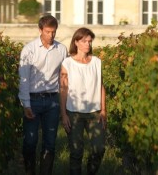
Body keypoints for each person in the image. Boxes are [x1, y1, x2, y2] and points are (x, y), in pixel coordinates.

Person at [19, 14, 68, 175]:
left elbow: (64, 77)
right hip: (33, 100)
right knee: (30, 141)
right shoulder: (29, 50)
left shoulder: (61, 50)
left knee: (50, 143)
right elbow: (24, 79)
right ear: (40, 30)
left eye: (54, 32)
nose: (51, 35)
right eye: (48, 31)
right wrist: (26, 103)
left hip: (52, 101)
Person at [60, 27, 107, 175]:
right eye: (84, 41)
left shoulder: (97, 62)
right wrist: (64, 115)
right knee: (76, 152)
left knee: (99, 149)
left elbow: (101, 86)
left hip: (95, 112)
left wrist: (104, 110)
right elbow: (63, 89)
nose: (88, 44)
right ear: (76, 42)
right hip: (74, 113)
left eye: (89, 41)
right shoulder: (67, 63)